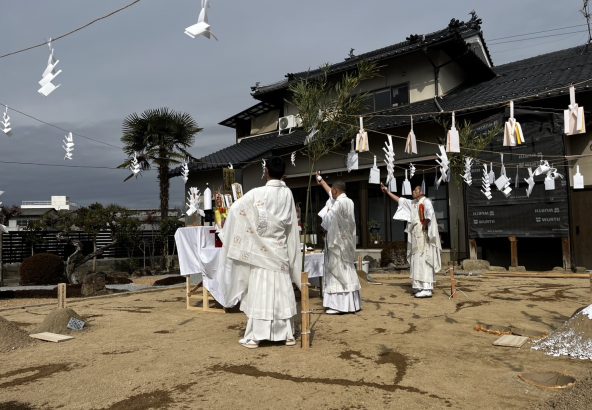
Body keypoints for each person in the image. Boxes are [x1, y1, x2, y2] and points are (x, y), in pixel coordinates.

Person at [218, 156, 302, 349]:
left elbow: (236, 209)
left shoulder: (257, 193)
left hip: (261, 251)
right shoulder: (287, 193)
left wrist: (235, 229)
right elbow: (291, 224)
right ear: (283, 173)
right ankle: (287, 334)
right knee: (281, 290)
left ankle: (256, 335)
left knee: (261, 290)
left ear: (266, 172)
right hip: (279, 249)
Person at [380, 183, 441, 298]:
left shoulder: (426, 201)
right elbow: (400, 200)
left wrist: (425, 224)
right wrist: (387, 192)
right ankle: (419, 286)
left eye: (415, 190)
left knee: (424, 260)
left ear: (421, 192)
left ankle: (427, 288)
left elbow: (430, 215)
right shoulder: (413, 203)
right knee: (416, 260)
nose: (413, 192)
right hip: (415, 236)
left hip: (423, 236)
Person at [316, 171, 362, 314]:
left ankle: (339, 305)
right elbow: (331, 193)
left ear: (336, 190)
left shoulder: (339, 203)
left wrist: (323, 222)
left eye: (333, 191)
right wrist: (321, 180)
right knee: (347, 269)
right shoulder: (349, 201)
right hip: (347, 241)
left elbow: (329, 219)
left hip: (337, 242)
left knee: (337, 270)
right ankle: (353, 304)